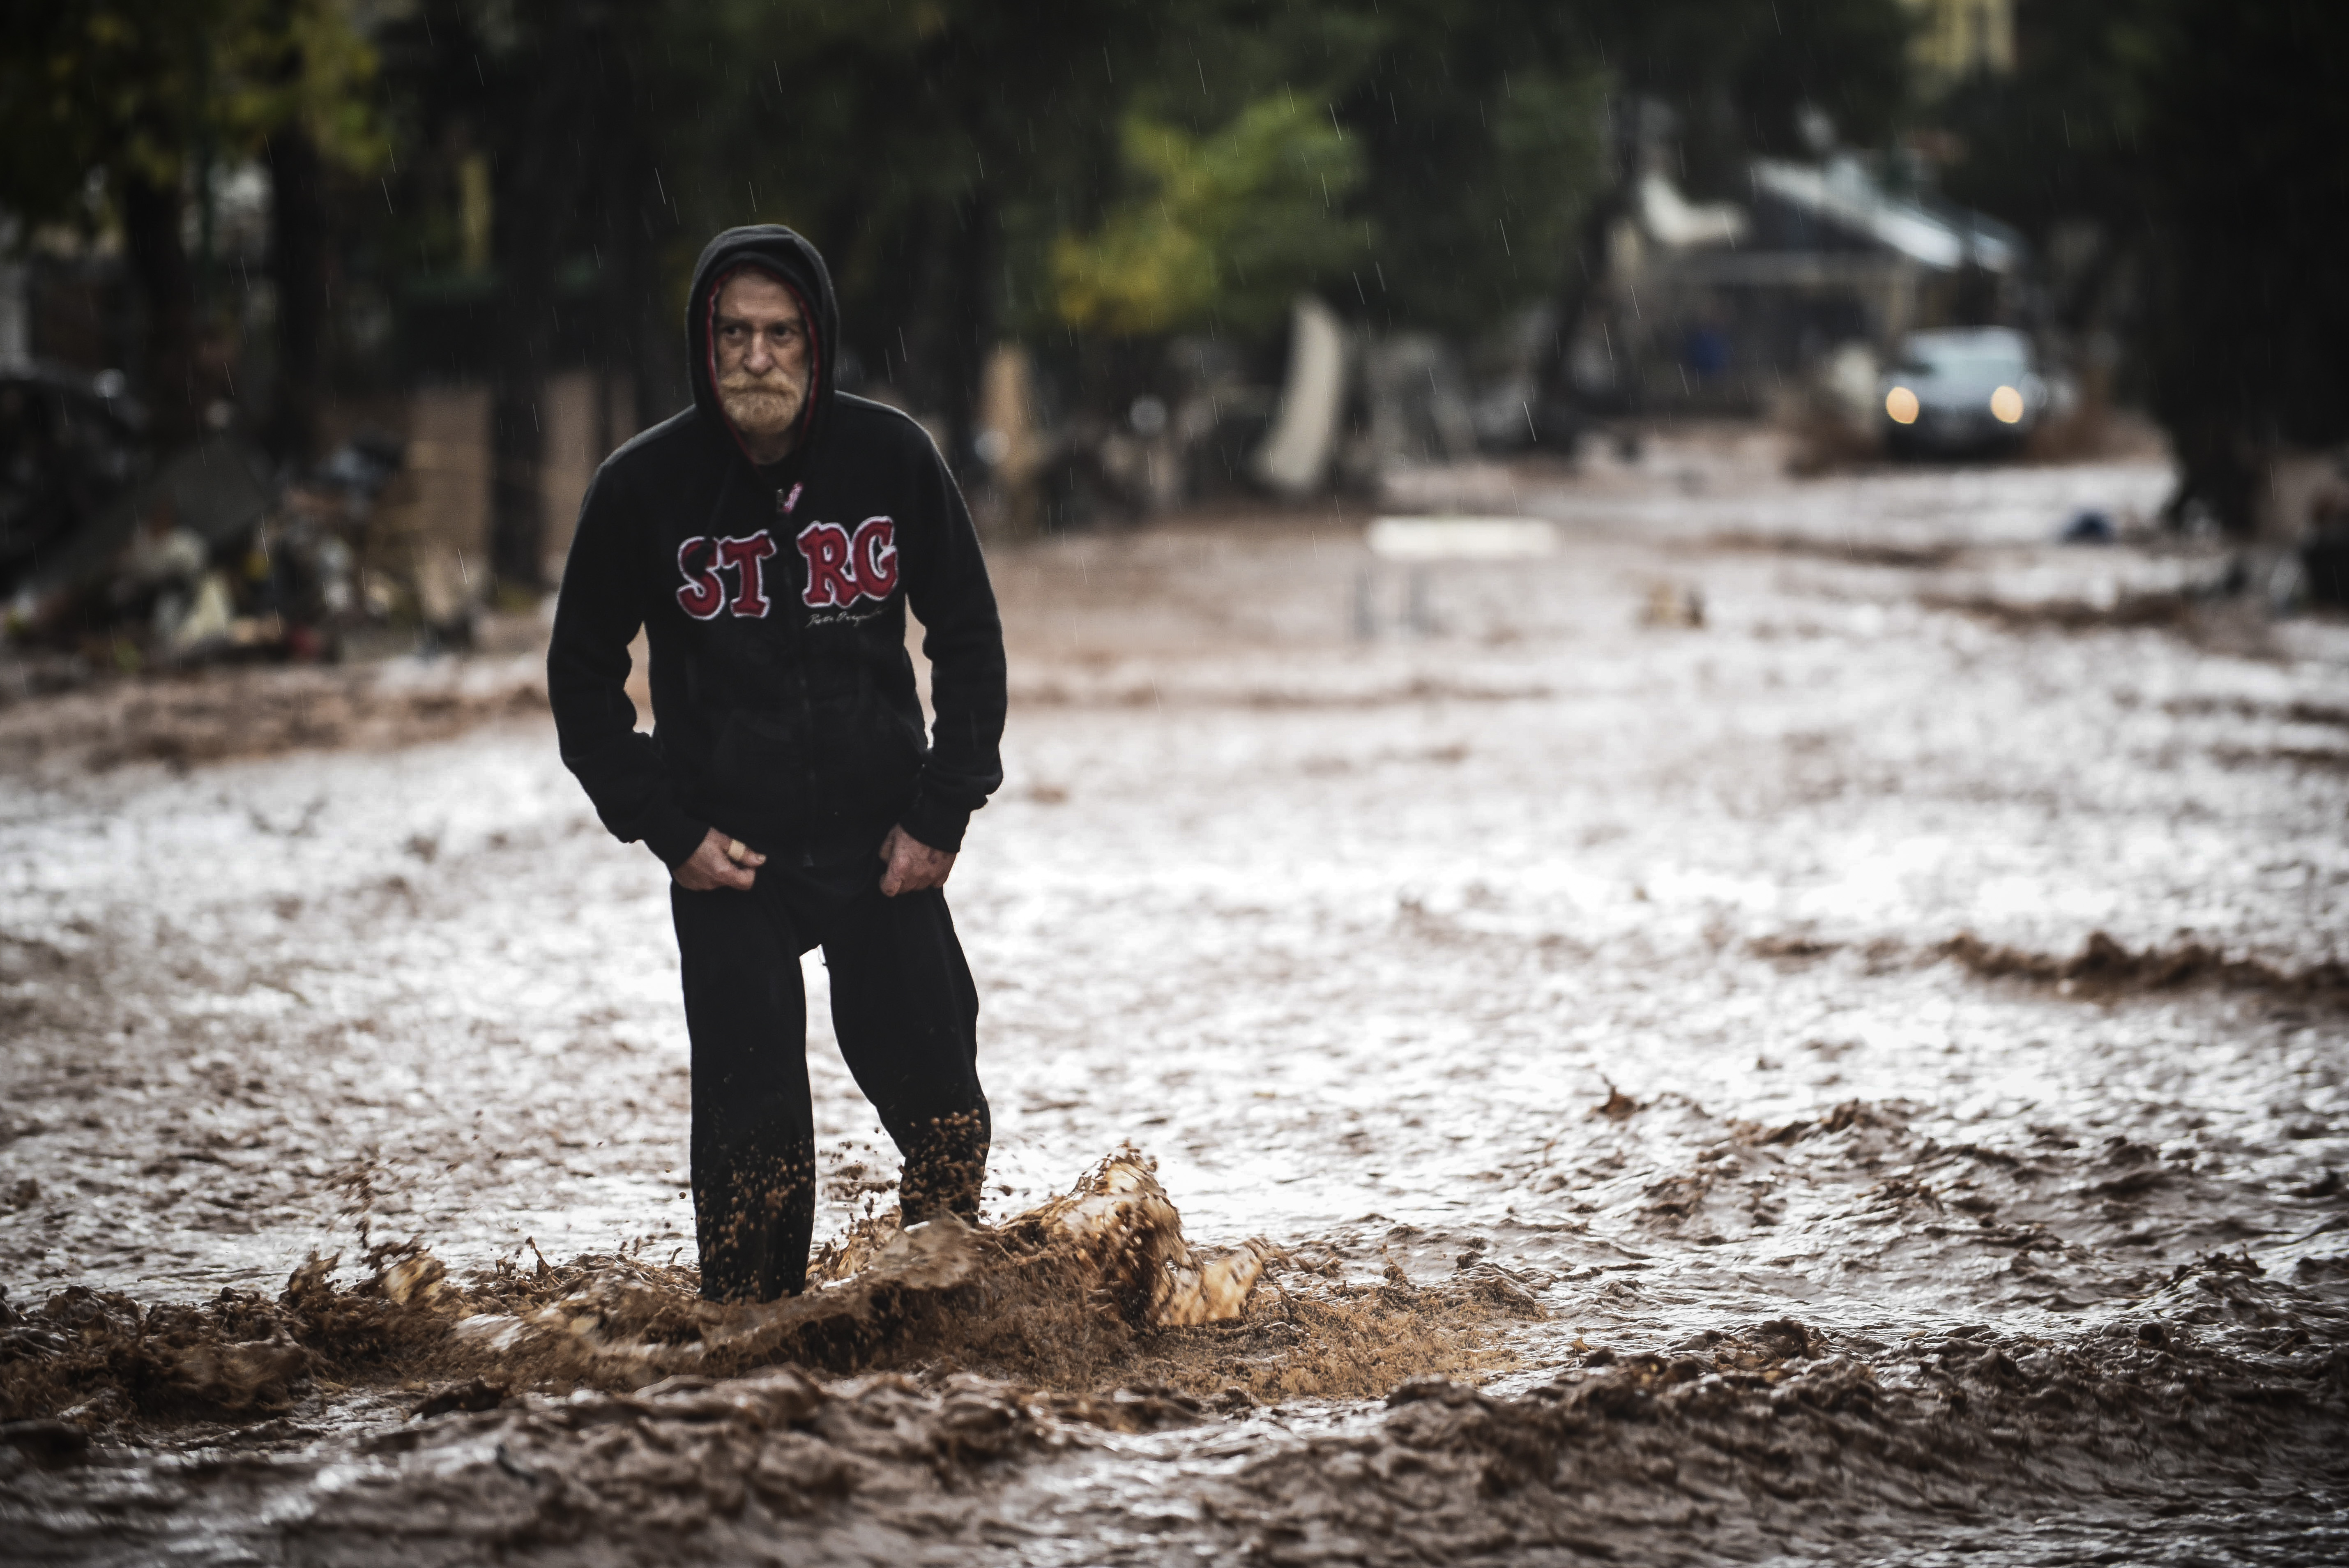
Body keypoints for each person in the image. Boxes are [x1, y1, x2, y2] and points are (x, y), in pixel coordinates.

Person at [547, 226, 1006, 1303]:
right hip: (731, 859)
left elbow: (970, 640)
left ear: (818, 341)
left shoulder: (893, 459)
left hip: (884, 845)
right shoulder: (644, 487)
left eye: (782, 334)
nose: (758, 357)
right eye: (735, 334)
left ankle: (940, 1322)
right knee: (752, 1157)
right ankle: (749, 1358)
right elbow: (581, 680)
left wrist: (942, 812)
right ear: (704, 346)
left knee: (946, 1110)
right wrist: (668, 829)